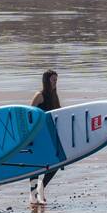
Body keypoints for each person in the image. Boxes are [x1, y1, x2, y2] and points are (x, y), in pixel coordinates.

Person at [29, 69, 62, 205]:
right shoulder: (40, 95)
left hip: (50, 135)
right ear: (46, 81)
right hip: (38, 135)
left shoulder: (54, 96)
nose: (55, 82)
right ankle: (33, 196)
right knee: (36, 166)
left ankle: (41, 188)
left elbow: (60, 112)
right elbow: (29, 113)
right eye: (53, 80)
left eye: (56, 80)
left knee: (56, 164)